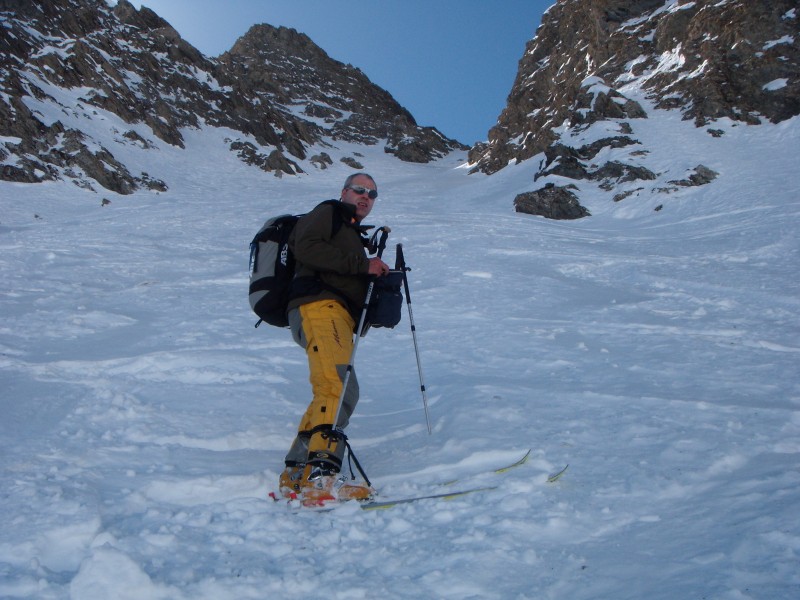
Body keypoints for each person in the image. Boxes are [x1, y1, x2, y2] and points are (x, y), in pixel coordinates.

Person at [279, 173, 390, 504]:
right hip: (320, 307)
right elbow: (307, 247)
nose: (366, 196)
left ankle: (296, 472)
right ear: (344, 192)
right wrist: (362, 264)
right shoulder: (328, 212)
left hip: (333, 313)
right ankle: (321, 476)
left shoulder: (350, 232)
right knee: (337, 387)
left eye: (372, 192)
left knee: (338, 388)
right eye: (359, 189)